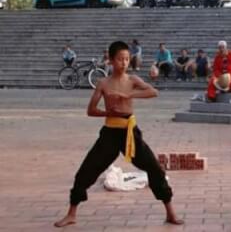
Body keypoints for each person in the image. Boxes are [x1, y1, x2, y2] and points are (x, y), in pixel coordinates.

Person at [54, 41, 182, 227]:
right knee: (85, 171)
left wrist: (129, 96)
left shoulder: (132, 80)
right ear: (111, 60)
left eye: (127, 59)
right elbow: (91, 110)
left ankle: (170, 212)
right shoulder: (103, 82)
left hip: (130, 132)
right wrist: (108, 113)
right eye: (120, 59)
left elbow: (153, 92)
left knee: (155, 169)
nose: (124, 63)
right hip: (110, 133)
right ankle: (72, 213)